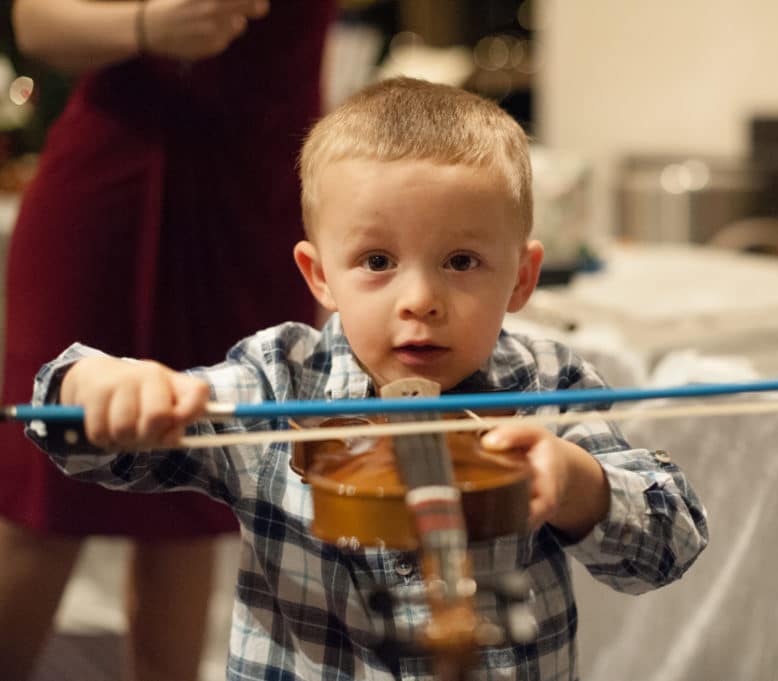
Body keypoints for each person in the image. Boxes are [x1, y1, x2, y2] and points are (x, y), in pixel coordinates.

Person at [24, 77, 709, 680]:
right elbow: (96, 447)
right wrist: (93, 388)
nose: (420, 299)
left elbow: (669, 541)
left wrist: (577, 481)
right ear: (319, 275)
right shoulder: (278, 381)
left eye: (462, 261)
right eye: (377, 259)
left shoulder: (548, 382)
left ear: (522, 277)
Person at [0, 1, 336, 679]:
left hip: (259, 193)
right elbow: (35, 21)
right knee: (47, 479)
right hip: (117, 176)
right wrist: (147, 25)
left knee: (197, 499)